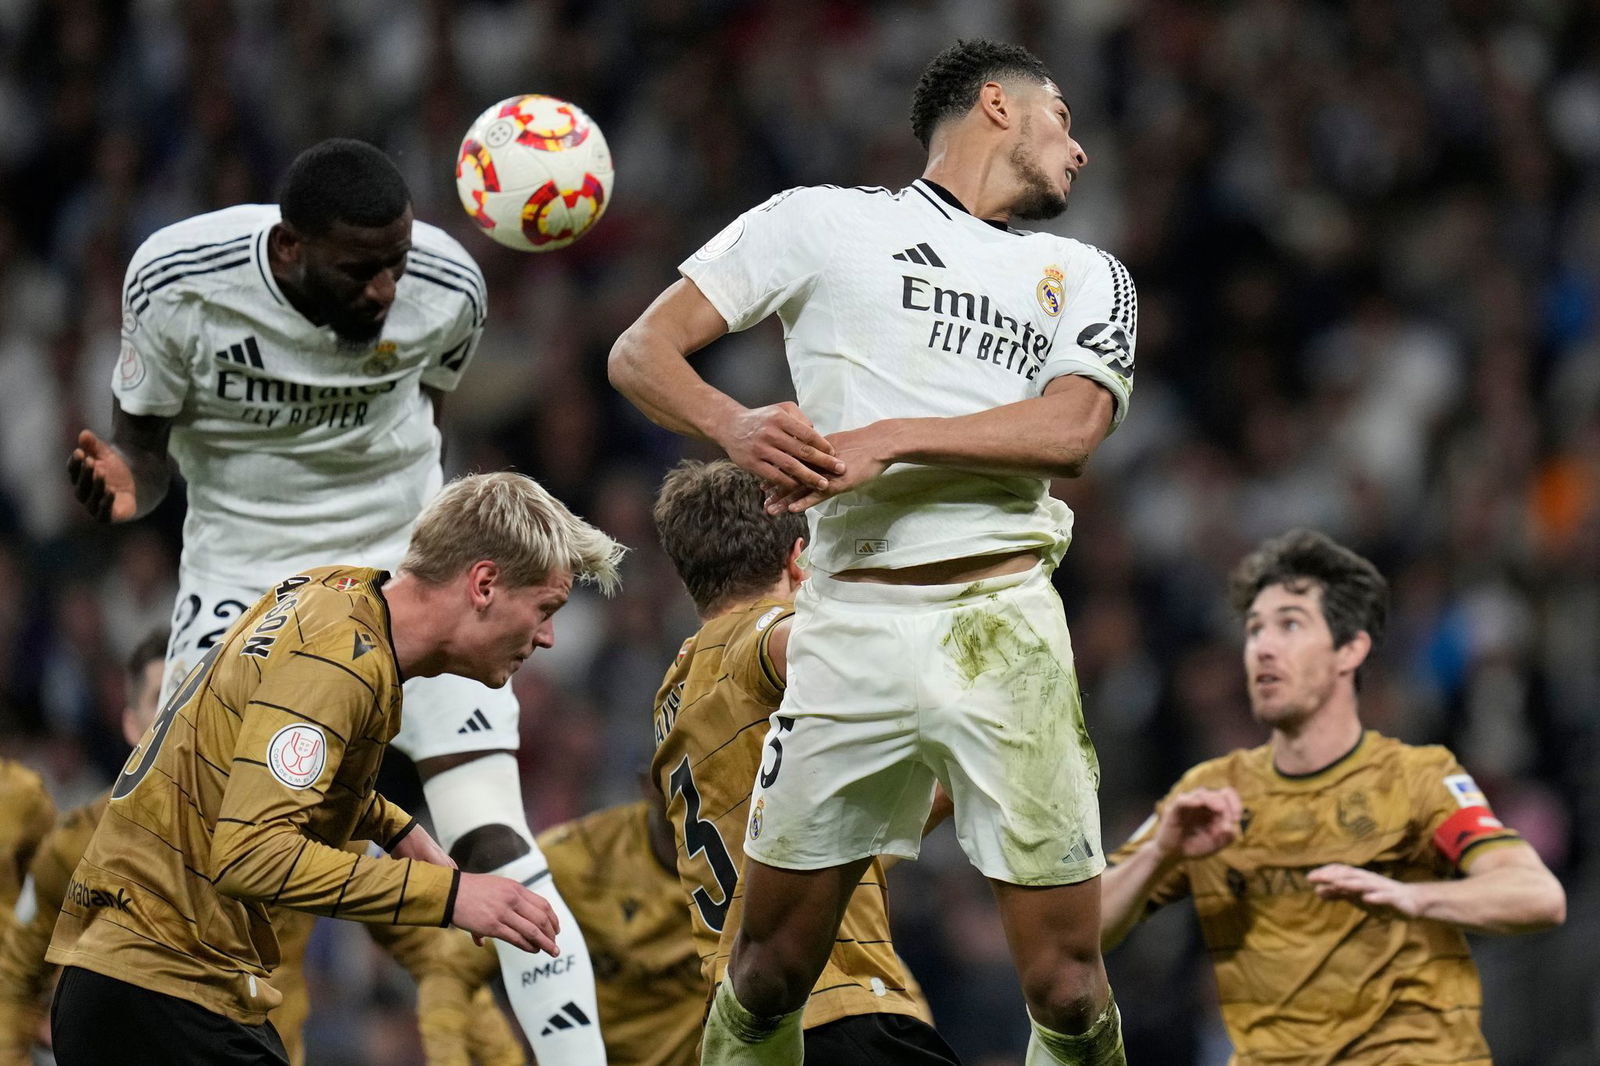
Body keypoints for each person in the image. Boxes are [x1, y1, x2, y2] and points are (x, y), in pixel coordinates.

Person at [610, 38, 1133, 1066]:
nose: (1078, 150)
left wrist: (887, 437)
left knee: (1067, 988)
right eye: (1062, 119)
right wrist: (734, 425)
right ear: (998, 104)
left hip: (1003, 624)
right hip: (847, 621)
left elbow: (1070, 432)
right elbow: (641, 350)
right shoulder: (820, 221)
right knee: (764, 971)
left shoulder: (1084, 272)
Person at [65, 138, 610, 1063]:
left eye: (396, 267)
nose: (387, 291)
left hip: (410, 574)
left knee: (492, 835)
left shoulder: (449, 286)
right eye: (362, 271)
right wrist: (128, 484)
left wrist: (402, 837)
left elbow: (429, 409)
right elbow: (142, 447)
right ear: (290, 251)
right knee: (210, 852)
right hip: (242, 573)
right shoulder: (177, 279)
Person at [46, 471, 625, 1066]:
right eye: (545, 607)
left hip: (149, 984)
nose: (549, 637)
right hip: (156, 989)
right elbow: (251, 855)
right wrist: (450, 895)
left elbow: (262, 754)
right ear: (483, 584)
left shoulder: (331, 594)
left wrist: (391, 826)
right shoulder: (343, 663)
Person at [1100, 529, 1567, 1066]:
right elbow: (1083, 933)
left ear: (1350, 649)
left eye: (1290, 626)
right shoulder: (1210, 794)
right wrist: (1162, 852)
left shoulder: (1419, 782)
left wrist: (1414, 900)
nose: (1264, 647)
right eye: (1255, 630)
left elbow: (1537, 895)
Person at [0, 629, 522, 1066]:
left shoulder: (304, 827)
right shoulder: (75, 847)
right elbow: (13, 983)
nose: (191, 717)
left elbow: (436, 953)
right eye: (167, 703)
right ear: (136, 724)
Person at [650, 459, 951, 1063]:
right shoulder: (767, 632)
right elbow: (797, 645)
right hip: (834, 1005)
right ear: (797, 558)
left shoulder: (673, 695)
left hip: (743, 1026)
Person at [420, 791, 705, 1066]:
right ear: (649, 782)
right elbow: (451, 968)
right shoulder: (573, 861)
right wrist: (464, 1058)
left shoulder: (744, 873)